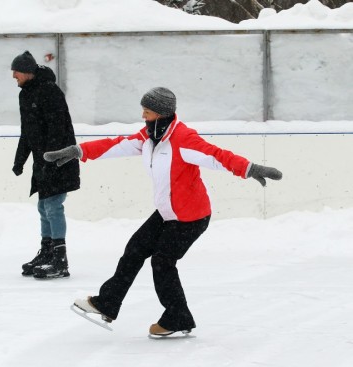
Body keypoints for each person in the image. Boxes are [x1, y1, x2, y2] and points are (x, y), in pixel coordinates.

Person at [44, 87, 282, 336]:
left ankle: (176, 317)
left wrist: (249, 168)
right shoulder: (148, 137)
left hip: (191, 217)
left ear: (161, 113)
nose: (143, 116)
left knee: (162, 262)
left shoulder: (183, 139)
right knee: (134, 250)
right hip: (167, 212)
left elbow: (216, 156)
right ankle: (107, 303)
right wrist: (79, 151)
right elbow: (116, 145)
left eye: (147, 111)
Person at [11, 51, 80, 279]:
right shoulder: (26, 94)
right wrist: (20, 160)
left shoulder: (49, 91)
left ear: (28, 72)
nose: (13, 76)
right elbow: (27, 132)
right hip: (42, 161)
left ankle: (60, 259)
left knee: (53, 206)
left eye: (17, 71)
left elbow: (60, 128)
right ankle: (48, 251)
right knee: (43, 207)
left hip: (57, 159)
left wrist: (53, 157)